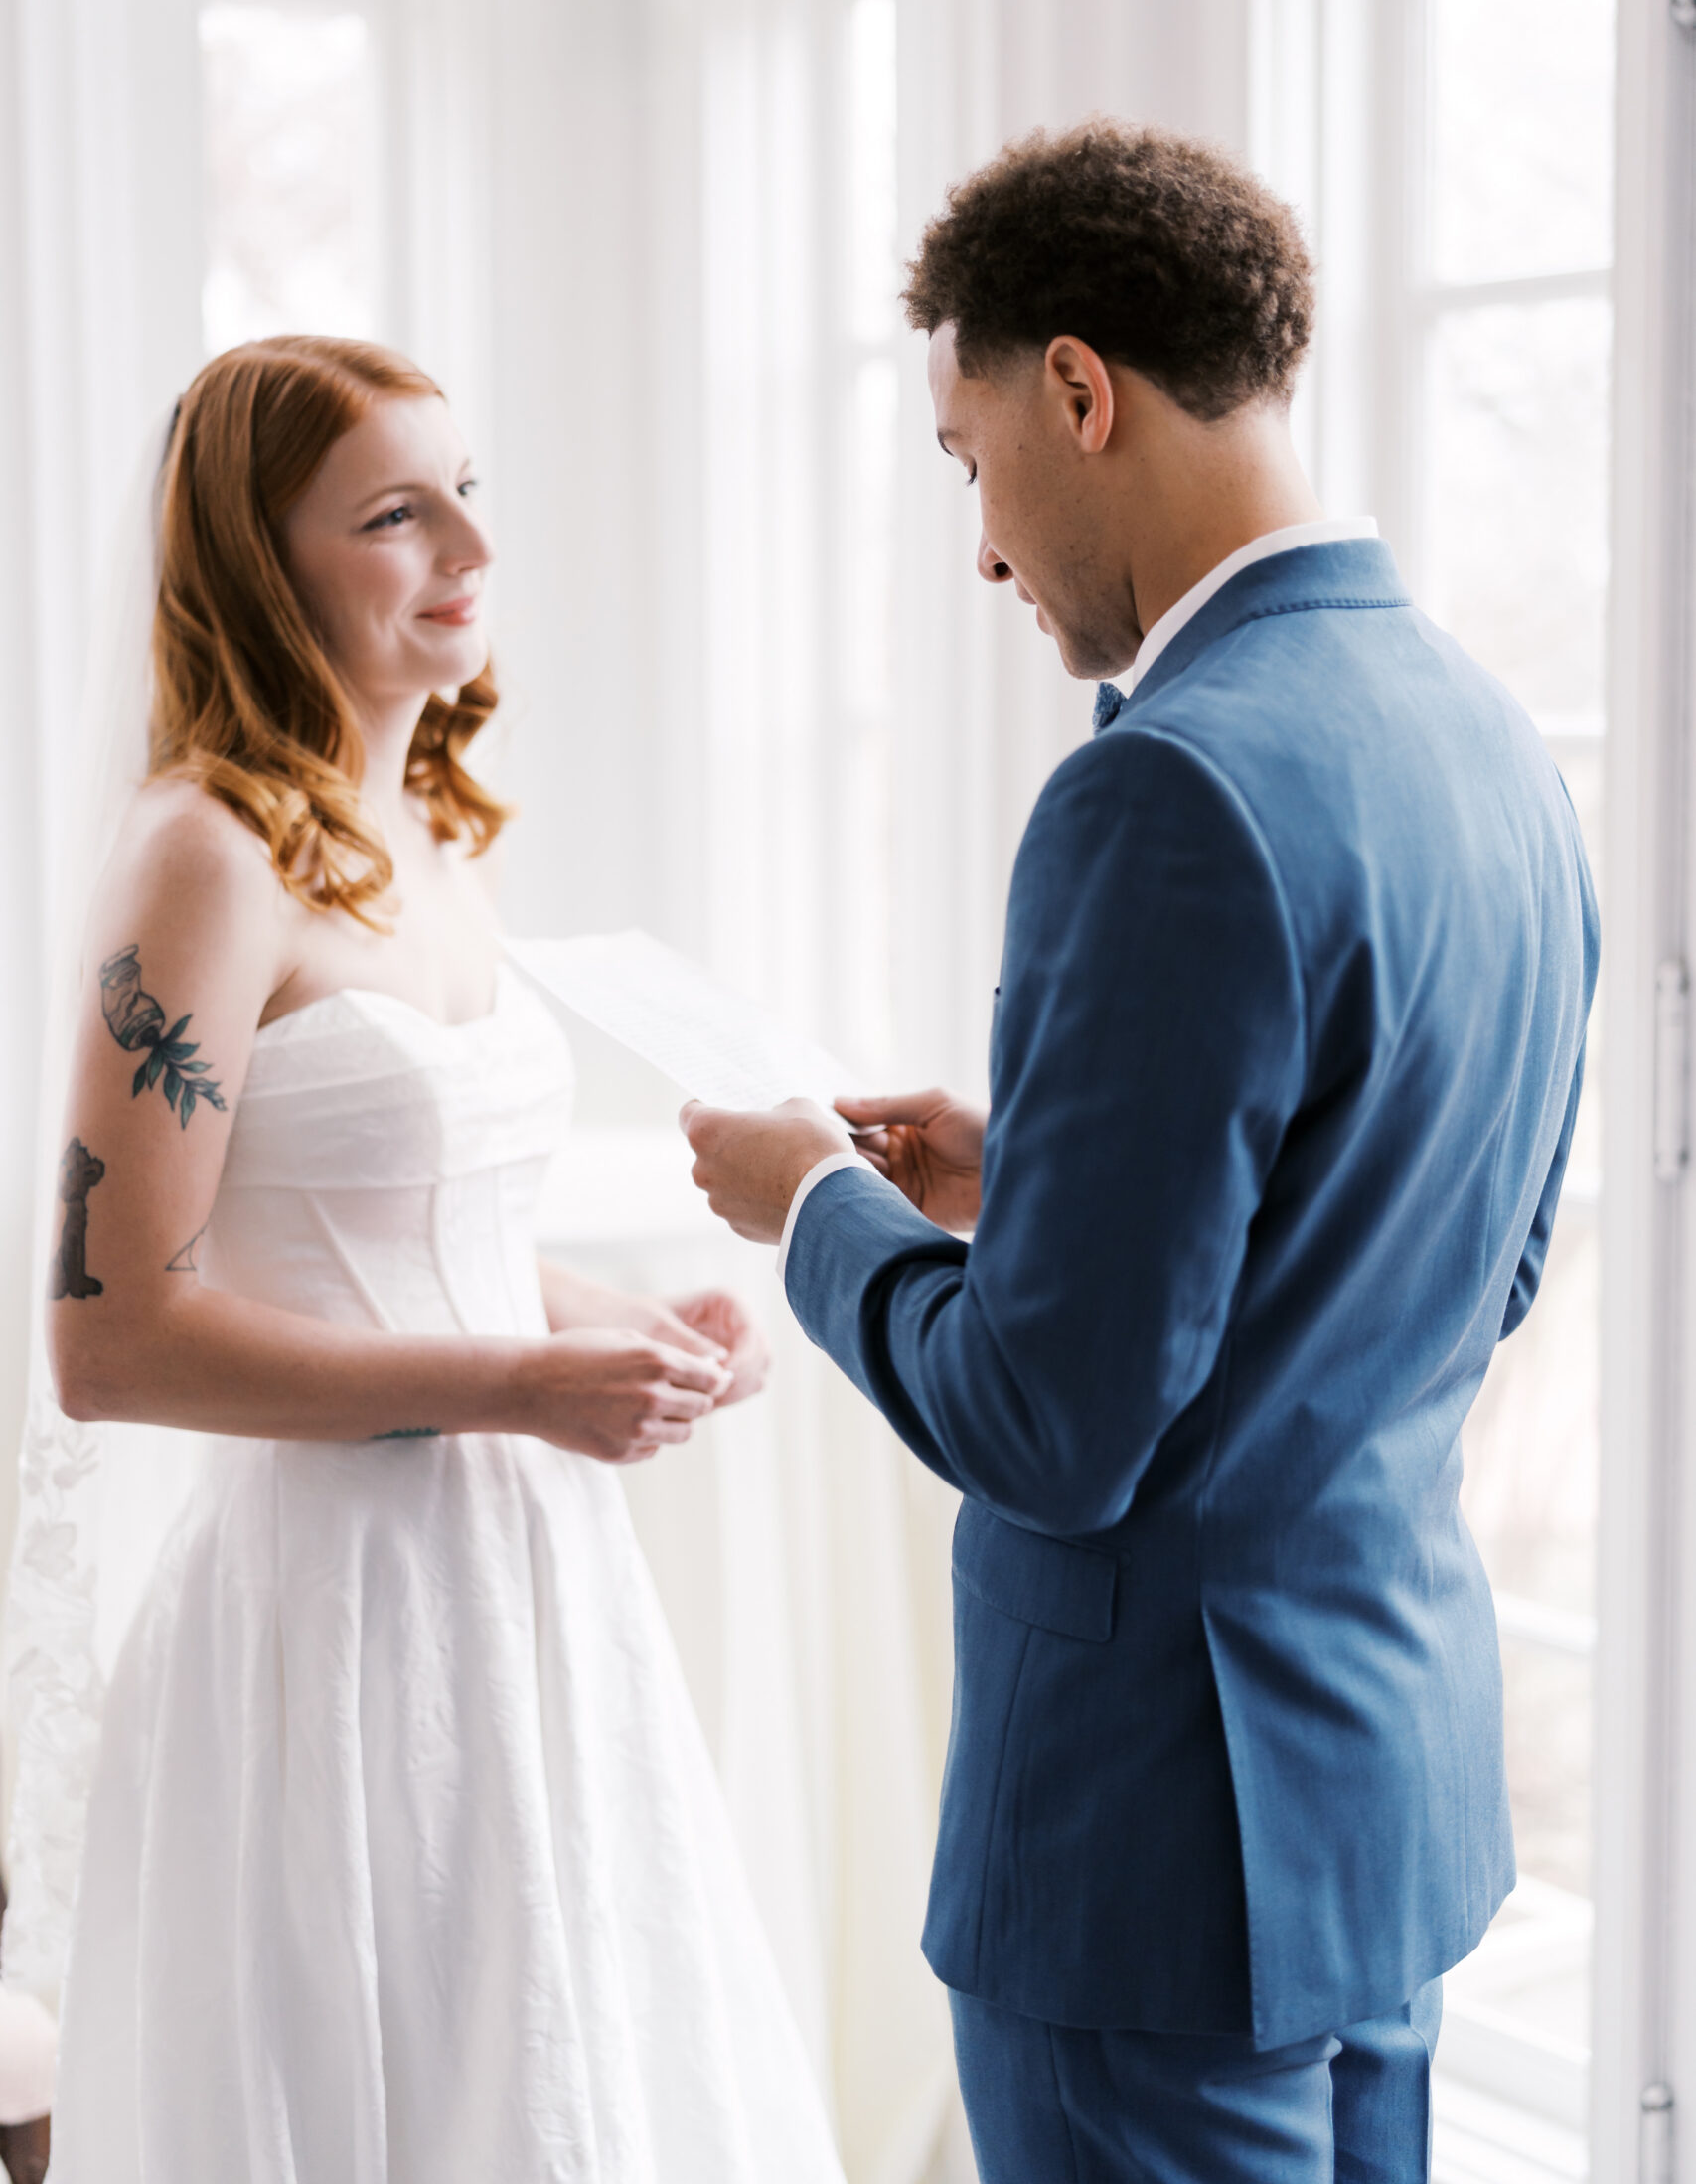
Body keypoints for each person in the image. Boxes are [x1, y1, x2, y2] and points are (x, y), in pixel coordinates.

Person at [684, 122, 1599, 2184]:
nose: (987, 547)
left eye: (965, 451)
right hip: (1376, 1797)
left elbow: (1047, 1421)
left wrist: (808, 1208)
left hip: (1147, 1855)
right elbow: (1461, 1250)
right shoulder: (1486, 739)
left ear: (1075, 390)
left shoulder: (1164, 783)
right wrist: (1049, 1178)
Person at [24, 336, 845, 2183]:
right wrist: (523, 1386)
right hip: (330, 1619)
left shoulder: (432, 838)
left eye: (470, 486)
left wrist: (626, 1326)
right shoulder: (204, 859)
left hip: (535, 1588)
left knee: (549, 2074)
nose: (470, 537)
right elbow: (112, 1339)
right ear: (263, 562)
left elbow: (405, 1234)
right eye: (398, 511)